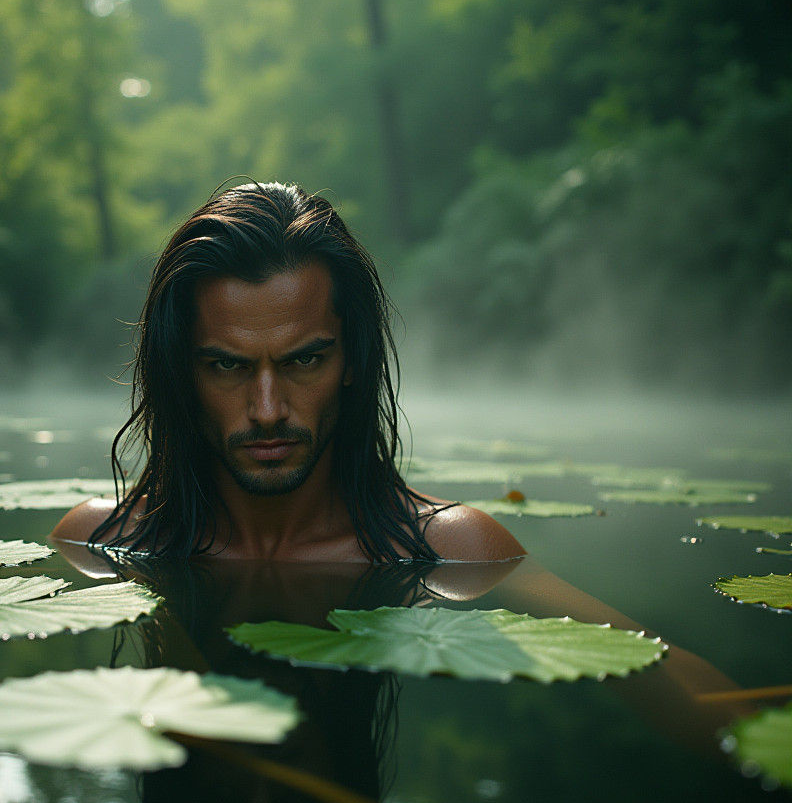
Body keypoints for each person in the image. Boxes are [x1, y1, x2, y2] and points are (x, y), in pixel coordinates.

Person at [53, 180, 525, 565]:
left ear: (352, 362)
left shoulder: (459, 548)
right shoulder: (95, 542)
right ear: (181, 374)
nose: (267, 410)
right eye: (226, 365)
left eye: (303, 360)